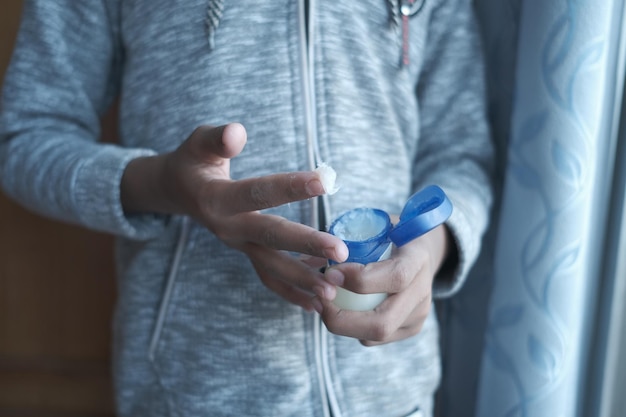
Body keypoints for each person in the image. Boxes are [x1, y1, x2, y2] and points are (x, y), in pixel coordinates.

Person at [0, 1, 494, 416]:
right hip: (189, 391)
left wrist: (430, 247)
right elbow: (24, 137)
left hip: (393, 393)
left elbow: (458, 153)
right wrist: (166, 185)